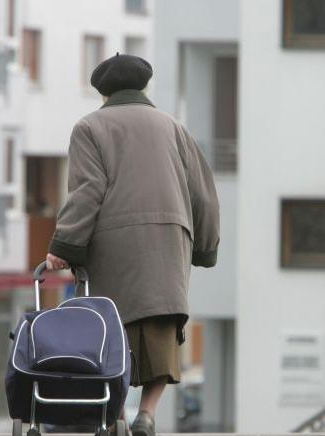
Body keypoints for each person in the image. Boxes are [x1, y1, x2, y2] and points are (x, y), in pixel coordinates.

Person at [45, 53, 220, 436]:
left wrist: (64, 244)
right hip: (169, 240)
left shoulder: (90, 127)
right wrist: (204, 246)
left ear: (103, 93)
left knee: (109, 329)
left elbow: (87, 190)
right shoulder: (173, 127)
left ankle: (117, 417)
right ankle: (148, 415)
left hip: (113, 244)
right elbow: (204, 195)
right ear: (143, 87)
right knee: (161, 324)